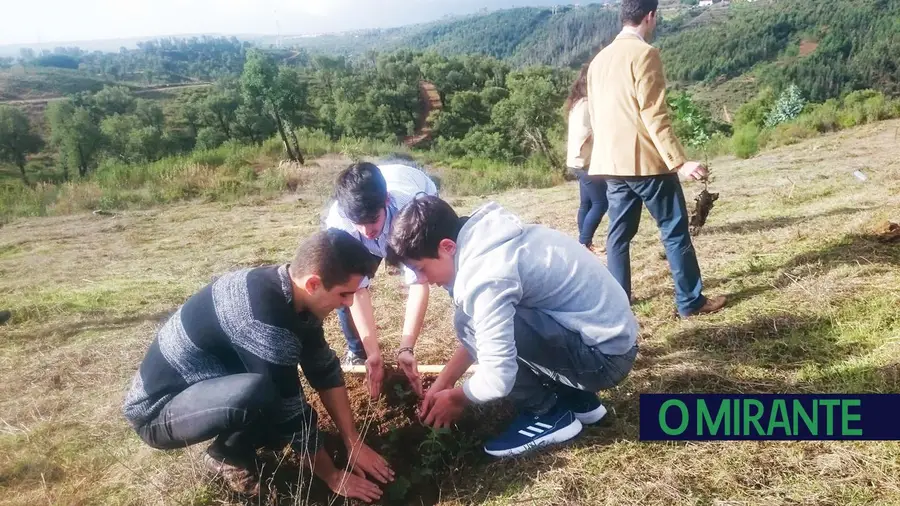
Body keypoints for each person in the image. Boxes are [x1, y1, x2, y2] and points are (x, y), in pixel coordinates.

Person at [122, 230, 395, 502]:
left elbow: (323, 367)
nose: (347, 304)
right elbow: (291, 412)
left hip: (206, 383)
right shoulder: (266, 323)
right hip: (159, 411)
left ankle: (242, 438)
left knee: (271, 393)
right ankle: (227, 456)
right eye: (344, 294)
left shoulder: (294, 296)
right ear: (313, 283)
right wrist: (332, 476)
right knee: (266, 394)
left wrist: (352, 440)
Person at [387, 196, 639, 458]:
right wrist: (444, 382)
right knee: (477, 322)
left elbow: (499, 377)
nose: (423, 280)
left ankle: (547, 415)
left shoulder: (484, 276)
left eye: (421, 269)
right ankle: (578, 399)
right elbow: (489, 331)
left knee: (466, 320)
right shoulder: (486, 238)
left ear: (447, 246)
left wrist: (458, 397)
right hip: (609, 343)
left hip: (603, 361)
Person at [586, 0, 727, 317]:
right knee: (674, 231)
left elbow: (596, 114)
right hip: (647, 162)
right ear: (650, 16)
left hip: (611, 163)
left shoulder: (598, 60)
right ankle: (691, 301)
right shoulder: (645, 54)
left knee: (619, 236)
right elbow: (654, 114)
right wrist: (679, 161)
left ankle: (618, 302)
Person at [324, 160, 439, 399]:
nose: (366, 231)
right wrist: (373, 353)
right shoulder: (339, 224)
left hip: (411, 208)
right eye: (359, 224)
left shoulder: (413, 208)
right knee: (345, 287)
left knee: (424, 262)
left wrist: (406, 347)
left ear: (386, 201)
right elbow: (355, 291)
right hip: (379, 217)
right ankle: (358, 352)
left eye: (373, 220)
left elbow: (418, 280)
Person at [566, 63, 608, 253]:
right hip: (586, 161)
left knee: (587, 203)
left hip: (576, 161)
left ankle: (585, 242)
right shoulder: (588, 104)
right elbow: (589, 133)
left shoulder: (577, 103)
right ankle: (584, 243)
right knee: (601, 203)